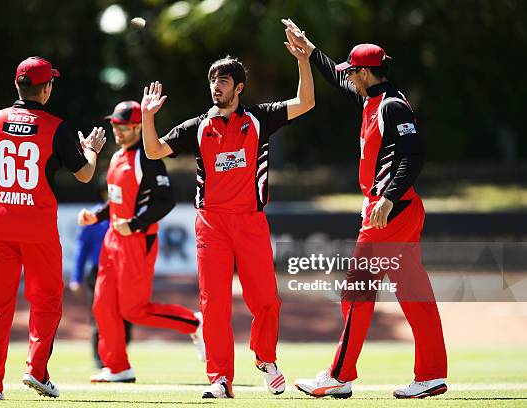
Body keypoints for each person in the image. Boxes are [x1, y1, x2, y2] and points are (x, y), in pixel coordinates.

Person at [139, 27, 315, 398]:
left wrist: (303, 61)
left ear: (239, 88)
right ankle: (220, 379)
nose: (216, 86)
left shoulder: (259, 119)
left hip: (251, 221)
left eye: (223, 81)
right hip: (211, 225)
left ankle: (265, 359)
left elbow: (305, 102)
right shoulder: (197, 127)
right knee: (214, 304)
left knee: (267, 300)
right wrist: (147, 117)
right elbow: (154, 152)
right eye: (213, 80)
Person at [283, 20, 448, 399]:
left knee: (356, 292)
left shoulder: (391, 105)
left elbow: (414, 154)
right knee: (413, 294)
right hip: (394, 210)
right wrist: (308, 48)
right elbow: (335, 79)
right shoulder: (371, 98)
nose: (348, 78)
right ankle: (432, 374)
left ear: (366, 72)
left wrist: (388, 197)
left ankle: (340, 375)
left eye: (352, 71)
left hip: (390, 211)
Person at [0, 56, 106, 400]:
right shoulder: (55, 126)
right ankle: (36, 369)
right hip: (38, 230)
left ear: (17, 85)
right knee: (47, 301)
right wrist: (92, 150)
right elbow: (85, 174)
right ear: (47, 88)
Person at [77, 100, 205, 384]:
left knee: (134, 310)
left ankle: (194, 322)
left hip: (136, 240)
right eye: (115, 125)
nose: (117, 131)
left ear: (137, 127)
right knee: (102, 305)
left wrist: (133, 224)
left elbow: (166, 201)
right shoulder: (117, 156)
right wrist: (96, 216)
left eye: (122, 126)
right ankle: (118, 366)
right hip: (113, 240)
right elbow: (116, 201)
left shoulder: (147, 158)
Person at [70, 202, 132, 369]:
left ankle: (120, 355)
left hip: (124, 270)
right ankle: (100, 358)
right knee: (99, 313)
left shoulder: (129, 213)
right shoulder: (94, 216)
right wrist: (76, 278)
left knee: (126, 313)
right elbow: (81, 248)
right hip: (99, 271)